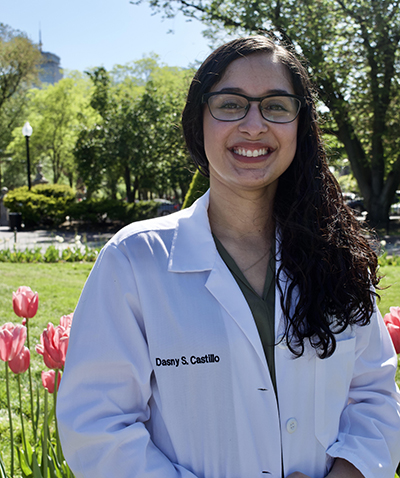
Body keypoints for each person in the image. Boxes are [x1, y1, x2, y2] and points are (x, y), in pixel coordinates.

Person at [57, 35, 400, 478]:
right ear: (199, 120)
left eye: (276, 106)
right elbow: (97, 426)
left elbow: (374, 395)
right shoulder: (134, 261)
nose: (254, 125)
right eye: (231, 103)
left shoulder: (335, 254)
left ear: (301, 125)